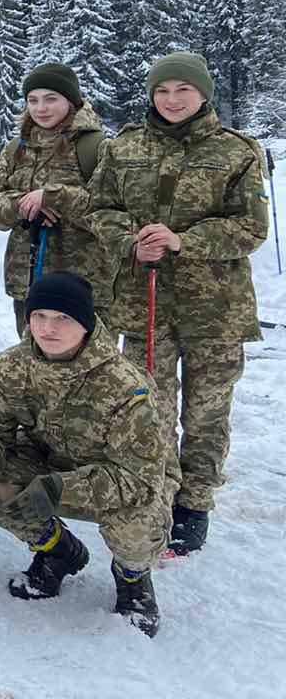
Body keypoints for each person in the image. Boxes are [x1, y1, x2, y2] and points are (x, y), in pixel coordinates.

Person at [88, 51, 267, 556]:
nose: (171, 100)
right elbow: (100, 208)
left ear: (203, 94)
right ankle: (158, 493)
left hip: (216, 308)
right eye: (162, 90)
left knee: (207, 410)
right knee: (149, 407)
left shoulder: (237, 152)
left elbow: (250, 228)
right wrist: (129, 239)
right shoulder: (124, 148)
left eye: (182, 91)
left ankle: (195, 503)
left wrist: (183, 240)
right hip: (146, 303)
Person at [0, 272, 169, 636]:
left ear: (85, 324)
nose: (47, 328)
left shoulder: (125, 385)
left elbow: (139, 479)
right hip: (47, 461)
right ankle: (57, 550)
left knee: (137, 525)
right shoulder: (12, 367)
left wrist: (57, 489)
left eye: (62, 318)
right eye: (38, 316)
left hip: (122, 479)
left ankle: (133, 580)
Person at [0, 63, 106, 337]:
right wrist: (22, 205)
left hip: (83, 282)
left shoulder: (95, 147)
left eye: (51, 99)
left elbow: (110, 211)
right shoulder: (16, 149)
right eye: (32, 100)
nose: (41, 108)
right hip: (28, 280)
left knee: (88, 364)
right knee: (33, 363)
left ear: (71, 101)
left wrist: (55, 198)